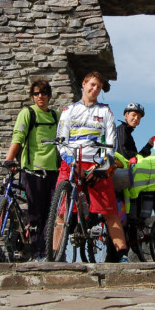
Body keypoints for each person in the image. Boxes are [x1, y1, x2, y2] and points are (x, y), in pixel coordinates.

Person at [54, 71, 127, 261]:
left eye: (99, 87)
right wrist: (71, 162)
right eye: (92, 85)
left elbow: (111, 144)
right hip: (71, 162)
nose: (95, 89)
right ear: (84, 84)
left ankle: (122, 254)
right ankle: (54, 254)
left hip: (96, 165)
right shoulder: (68, 111)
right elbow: (61, 140)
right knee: (61, 212)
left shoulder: (105, 112)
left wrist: (101, 166)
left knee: (110, 211)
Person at [4, 78, 60, 261]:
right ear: (32, 96)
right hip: (32, 170)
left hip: (53, 170)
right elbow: (18, 136)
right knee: (36, 212)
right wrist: (9, 159)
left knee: (52, 212)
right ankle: (38, 253)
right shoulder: (27, 113)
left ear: (49, 95)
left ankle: (50, 252)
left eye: (43, 93)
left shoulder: (56, 116)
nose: (40, 96)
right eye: (36, 93)